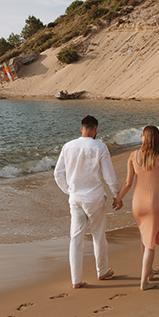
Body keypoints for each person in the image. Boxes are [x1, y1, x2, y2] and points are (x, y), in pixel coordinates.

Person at [54, 115, 119, 289]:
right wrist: (116, 193)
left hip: (75, 199)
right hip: (95, 198)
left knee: (76, 239)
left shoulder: (68, 146)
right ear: (95, 129)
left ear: (81, 128)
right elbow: (108, 175)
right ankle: (102, 271)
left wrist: (69, 191)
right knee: (99, 236)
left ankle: (76, 280)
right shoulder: (100, 146)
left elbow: (58, 174)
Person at [114, 125, 159, 291]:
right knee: (150, 243)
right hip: (156, 203)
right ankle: (144, 282)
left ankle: (149, 272)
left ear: (144, 139)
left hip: (138, 204)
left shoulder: (133, 156)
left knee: (145, 236)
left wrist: (118, 199)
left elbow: (127, 183)